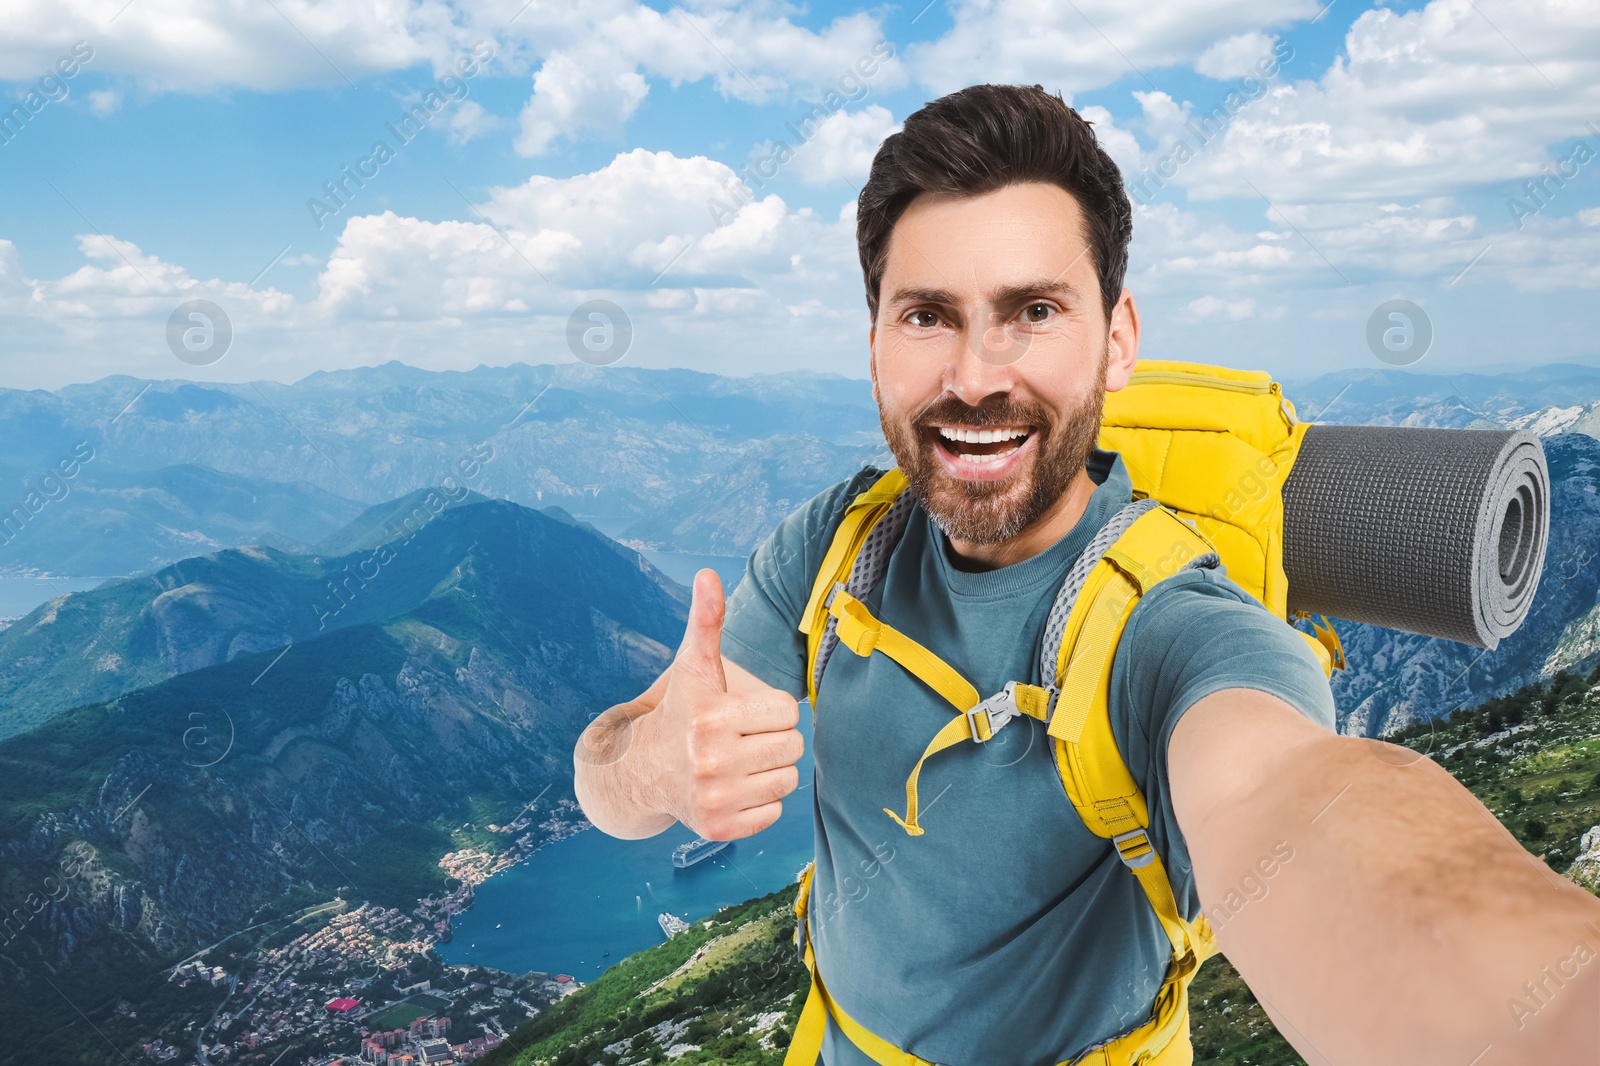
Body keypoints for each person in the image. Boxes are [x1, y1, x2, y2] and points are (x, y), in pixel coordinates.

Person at [574, 83, 1600, 1065]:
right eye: (927, 314)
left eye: (1032, 311)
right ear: (876, 344)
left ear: (1117, 343)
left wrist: (1549, 1013)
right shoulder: (836, 546)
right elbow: (609, 779)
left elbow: (1297, 799)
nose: (975, 376)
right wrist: (652, 761)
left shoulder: (1173, 627)